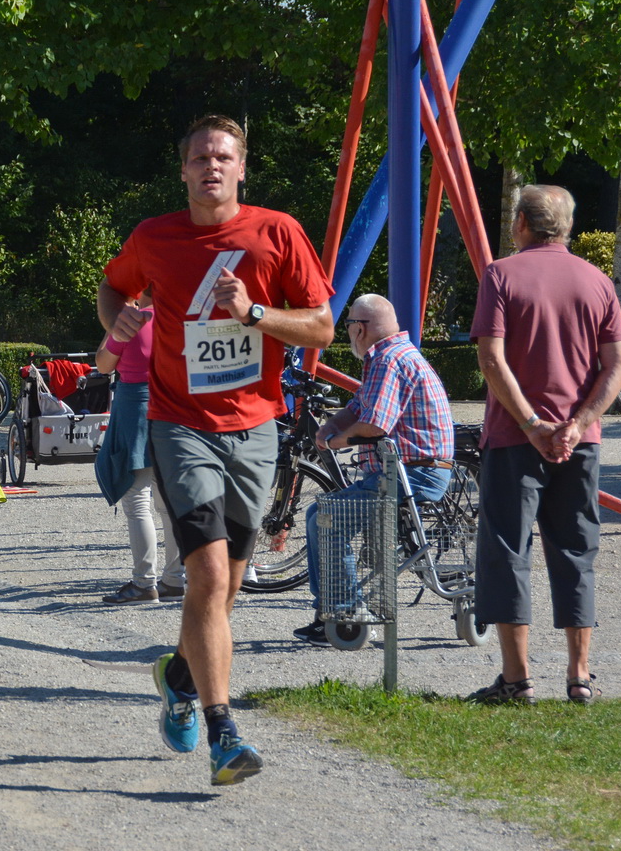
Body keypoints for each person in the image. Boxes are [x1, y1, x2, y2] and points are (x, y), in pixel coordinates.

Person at [97, 113, 333, 786]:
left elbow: (320, 325)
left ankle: (177, 675)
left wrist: (255, 314)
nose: (211, 166)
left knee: (227, 587)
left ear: (242, 167)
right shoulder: (154, 237)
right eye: (199, 156)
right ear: (183, 170)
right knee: (204, 576)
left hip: (255, 428)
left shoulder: (277, 232)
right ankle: (224, 731)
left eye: (223, 156)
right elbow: (113, 286)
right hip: (180, 425)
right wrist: (115, 317)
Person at [468, 185, 621, 704]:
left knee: (507, 553)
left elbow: (492, 359)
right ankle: (579, 676)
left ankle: (516, 680)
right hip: (579, 444)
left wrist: (534, 423)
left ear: (520, 222)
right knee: (576, 552)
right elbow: (617, 366)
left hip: (515, 439)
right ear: (567, 227)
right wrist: (577, 424)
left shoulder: (500, 275)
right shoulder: (598, 281)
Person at [292, 293, 453, 643]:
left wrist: (336, 442)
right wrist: (331, 425)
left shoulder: (387, 359)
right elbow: (360, 405)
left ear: (361, 329)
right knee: (322, 514)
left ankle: (346, 609)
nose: (347, 331)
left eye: (349, 324)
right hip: (416, 471)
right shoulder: (395, 354)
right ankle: (330, 611)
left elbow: (375, 424)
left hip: (414, 474)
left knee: (326, 517)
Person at [93, 305, 182, 604]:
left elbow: (103, 364)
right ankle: (175, 579)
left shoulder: (130, 320)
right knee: (168, 501)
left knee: (137, 501)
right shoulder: (178, 313)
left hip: (136, 410)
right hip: (173, 409)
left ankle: (144, 583)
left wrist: (111, 323)